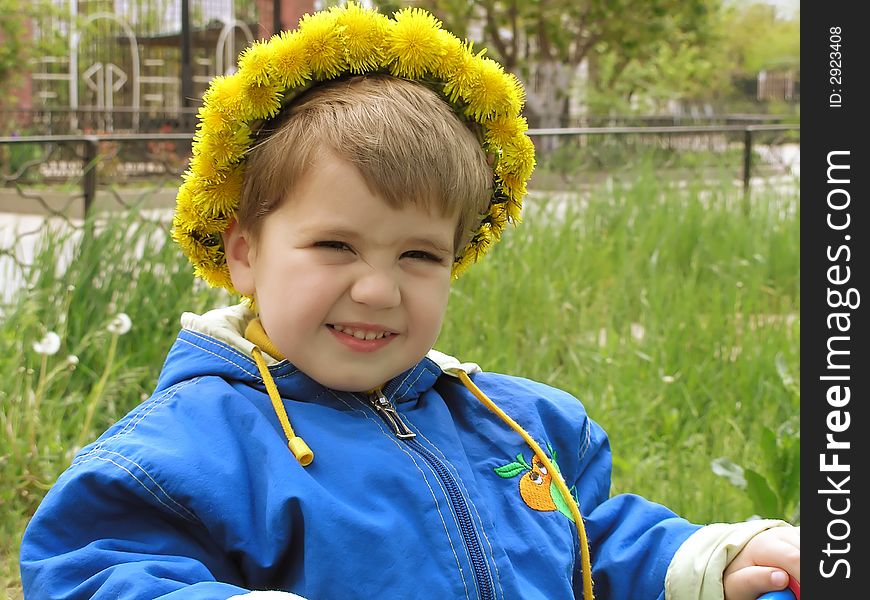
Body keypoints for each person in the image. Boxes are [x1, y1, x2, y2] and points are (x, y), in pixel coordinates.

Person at [19, 4, 799, 599]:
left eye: (419, 255)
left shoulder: (519, 424)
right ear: (244, 250)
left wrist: (703, 562)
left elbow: (589, 542)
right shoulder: (190, 450)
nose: (378, 288)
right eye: (336, 246)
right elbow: (90, 570)